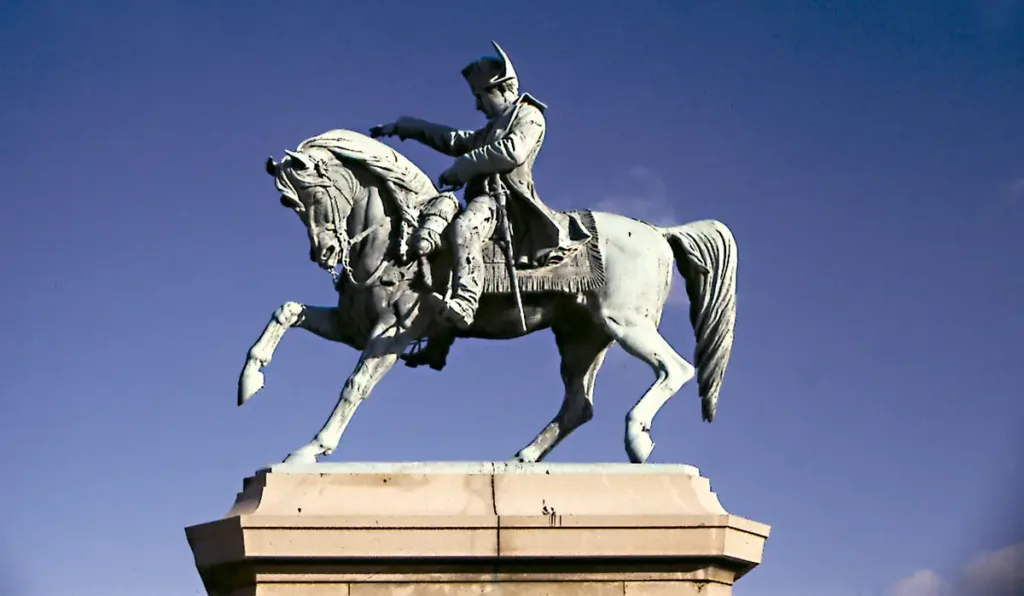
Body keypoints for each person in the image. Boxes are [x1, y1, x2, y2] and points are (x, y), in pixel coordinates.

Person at [370, 41, 590, 331]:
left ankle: (466, 300)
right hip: (486, 198)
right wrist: (404, 127)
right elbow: (454, 140)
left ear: (503, 89)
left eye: (481, 96)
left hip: (504, 201)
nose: (477, 105)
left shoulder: (529, 115)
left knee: (465, 228)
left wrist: (461, 168)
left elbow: (512, 151)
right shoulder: (492, 128)